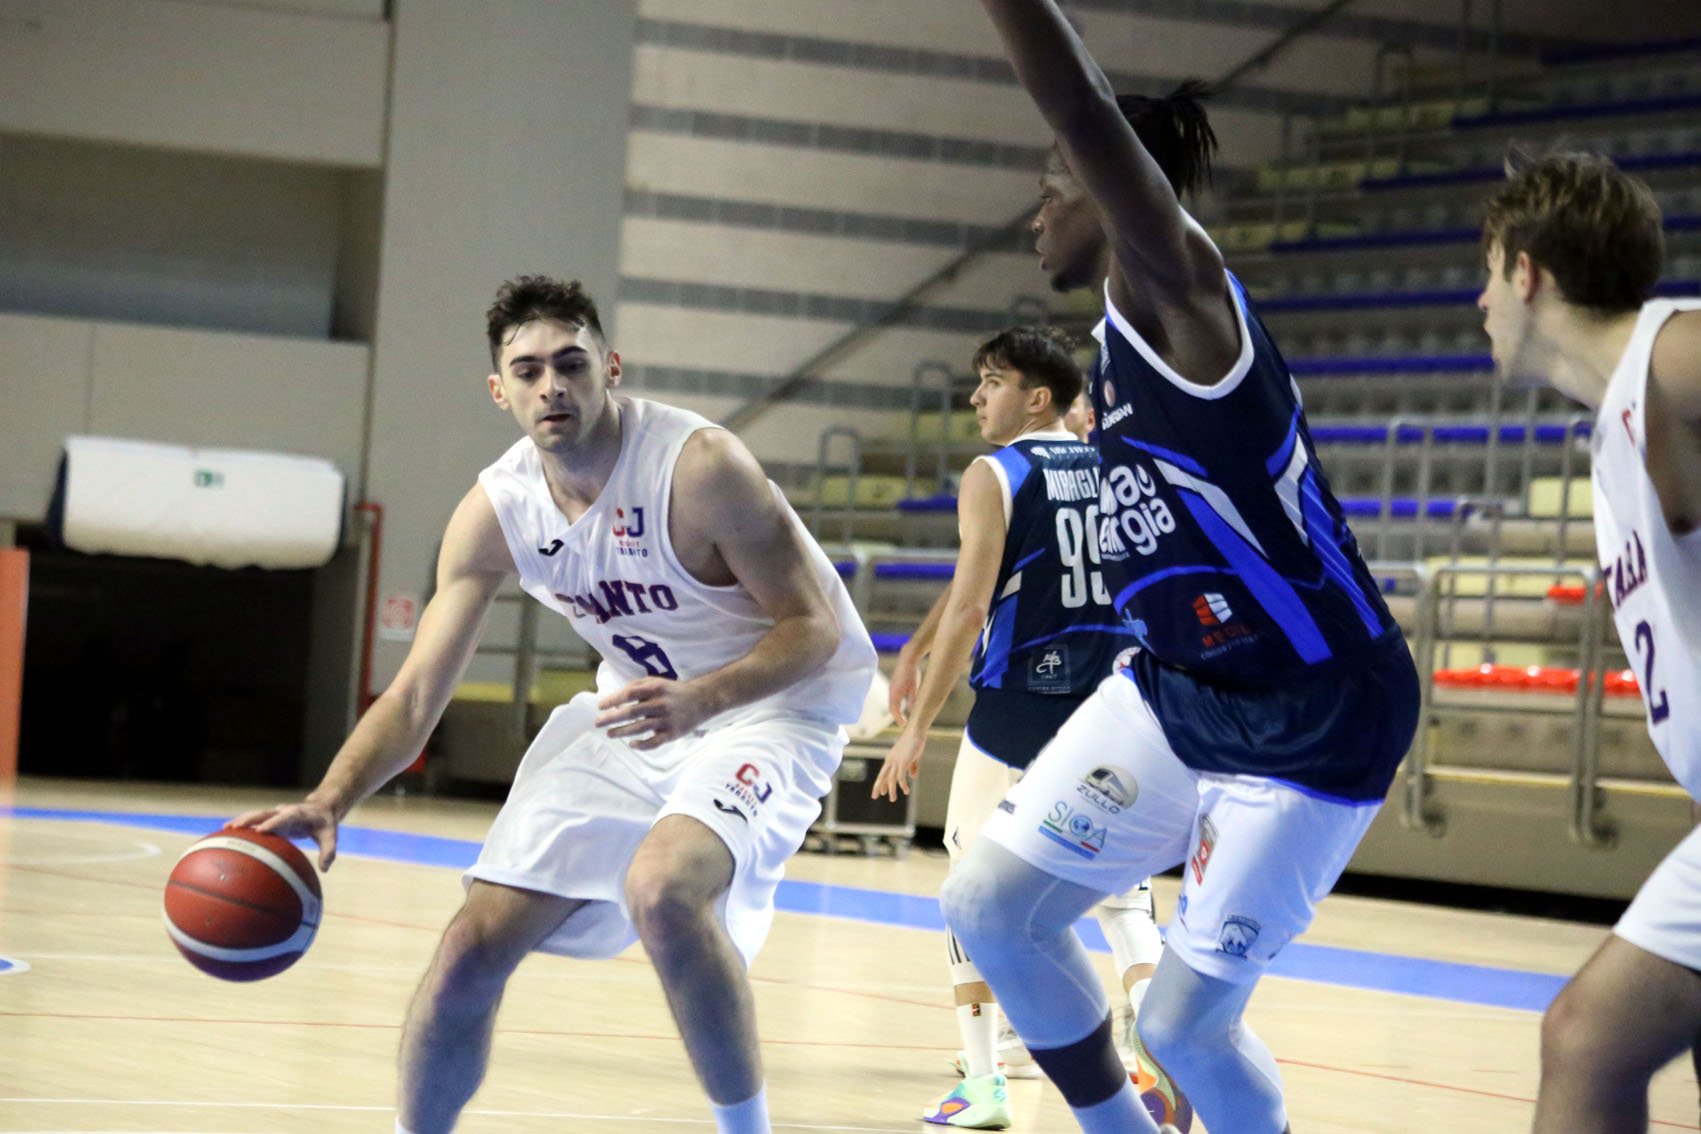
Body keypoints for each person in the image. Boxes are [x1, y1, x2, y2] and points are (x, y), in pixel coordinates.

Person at [232, 276, 876, 1134]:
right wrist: (330, 798)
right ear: (498, 390)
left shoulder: (699, 469)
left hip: (773, 709)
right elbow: (417, 693)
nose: (552, 386)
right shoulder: (496, 511)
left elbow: (814, 629)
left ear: (610, 367)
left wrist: (702, 699)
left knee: (662, 891)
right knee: (468, 946)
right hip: (637, 718)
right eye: (528, 371)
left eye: (571, 364)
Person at [938, 5, 1422, 1133]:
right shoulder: (1114, 351)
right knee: (989, 906)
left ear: (1112, 191)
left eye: (1052, 190)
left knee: (1184, 1031)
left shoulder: (1180, 297)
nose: (1036, 216)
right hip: (1178, 689)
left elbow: (1081, 107)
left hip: (1314, 706)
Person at [872, 327, 1178, 1129]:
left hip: (1017, 711)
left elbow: (974, 603)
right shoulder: (1114, 464)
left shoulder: (994, 472)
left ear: (1036, 398)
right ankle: (1161, 1059)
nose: (976, 396)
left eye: (992, 381)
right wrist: (916, 646)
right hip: (1113, 709)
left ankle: (982, 1084)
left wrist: (917, 727)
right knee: (1122, 901)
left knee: (968, 891)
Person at [1472, 152, 1701, 1133]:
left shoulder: (1675, 357)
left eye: (1488, 273)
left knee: (1586, 1039)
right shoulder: (1621, 418)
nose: (1480, 302)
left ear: (1527, 272)